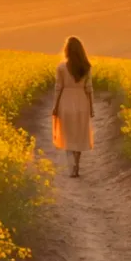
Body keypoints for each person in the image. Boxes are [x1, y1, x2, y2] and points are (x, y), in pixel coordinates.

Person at [52, 36, 95, 177]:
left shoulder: (61, 67)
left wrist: (55, 106)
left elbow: (58, 88)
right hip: (82, 103)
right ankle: (77, 164)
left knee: (68, 135)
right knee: (79, 135)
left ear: (67, 50)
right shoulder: (86, 68)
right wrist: (91, 108)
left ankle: (71, 167)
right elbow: (89, 89)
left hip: (66, 103)